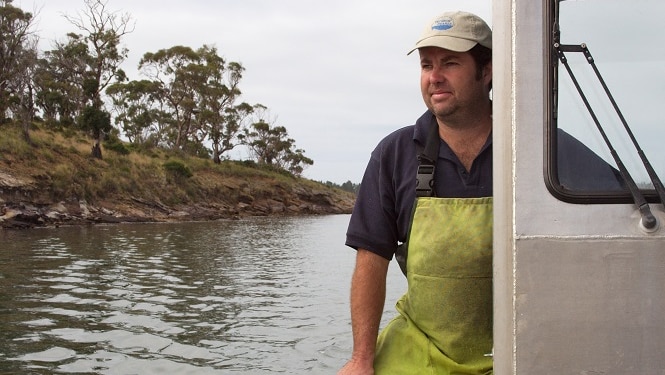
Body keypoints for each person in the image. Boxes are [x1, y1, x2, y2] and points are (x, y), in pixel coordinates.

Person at [339, 10, 494, 375]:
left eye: (450, 63)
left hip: (516, 347)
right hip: (420, 348)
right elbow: (371, 260)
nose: (434, 78)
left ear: (486, 70)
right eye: (427, 65)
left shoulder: (536, 149)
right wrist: (361, 360)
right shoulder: (393, 154)